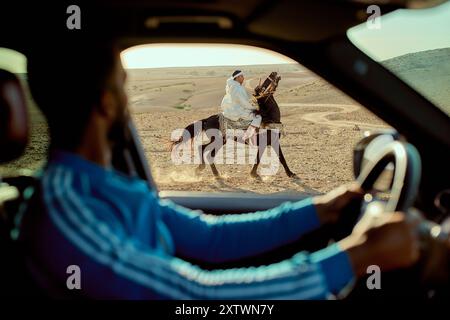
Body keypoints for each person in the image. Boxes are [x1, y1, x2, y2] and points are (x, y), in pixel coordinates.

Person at [20, 40, 420, 299]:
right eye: (124, 85)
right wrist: (354, 257)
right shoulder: (67, 210)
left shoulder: (111, 189)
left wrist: (319, 209)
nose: (130, 96)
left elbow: (210, 238)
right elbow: (196, 298)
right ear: (107, 104)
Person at [221, 70, 261, 142]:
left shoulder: (235, 86)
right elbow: (244, 103)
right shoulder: (237, 88)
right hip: (238, 110)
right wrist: (254, 107)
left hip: (237, 108)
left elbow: (243, 101)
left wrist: (251, 103)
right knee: (258, 117)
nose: (243, 78)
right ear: (237, 77)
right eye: (242, 76)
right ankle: (248, 136)